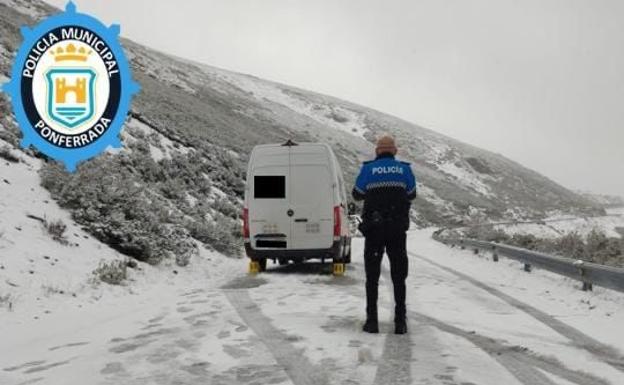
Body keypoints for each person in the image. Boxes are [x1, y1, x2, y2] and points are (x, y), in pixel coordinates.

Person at [352, 135, 417, 334]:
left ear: (377, 151)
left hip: (374, 230)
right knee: (399, 276)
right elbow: (412, 194)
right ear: (395, 151)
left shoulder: (368, 169)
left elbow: (357, 193)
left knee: (372, 277)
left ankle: (372, 321)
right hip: (397, 230)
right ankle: (400, 322)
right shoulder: (405, 169)